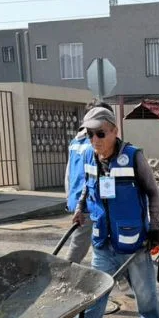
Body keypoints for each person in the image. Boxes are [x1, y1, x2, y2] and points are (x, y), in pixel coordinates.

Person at [49, 106, 159, 318]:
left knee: (143, 288)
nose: (94, 140)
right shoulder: (90, 157)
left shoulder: (133, 157)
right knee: (97, 290)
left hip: (133, 239)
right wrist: (80, 209)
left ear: (114, 131)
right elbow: (86, 188)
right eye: (90, 134)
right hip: (102, 238)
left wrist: (154, 228)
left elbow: (154, 193)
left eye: (100, 133)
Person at [62, 99, 113, 264]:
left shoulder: (76, 141)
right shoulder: (96, 143)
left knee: (95, 242)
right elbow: (102, 175)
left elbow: (68, 174)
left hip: (78, 199)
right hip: (90, 201)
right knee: (82, 245)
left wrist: (70, 198)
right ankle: (65, 274)